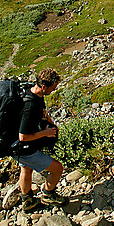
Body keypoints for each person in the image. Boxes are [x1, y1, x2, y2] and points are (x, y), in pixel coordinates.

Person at [15, 68, 69, 211]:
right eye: (53, 88)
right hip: (24, 148)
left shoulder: (30, 91)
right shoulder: (30, 105)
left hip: (15, 146)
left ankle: (27, 200)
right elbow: (23, 136)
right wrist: (45, 133)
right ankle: (48, 194)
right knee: (57, 169)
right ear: (44, 87)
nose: (53, 90)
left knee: (26, 169)